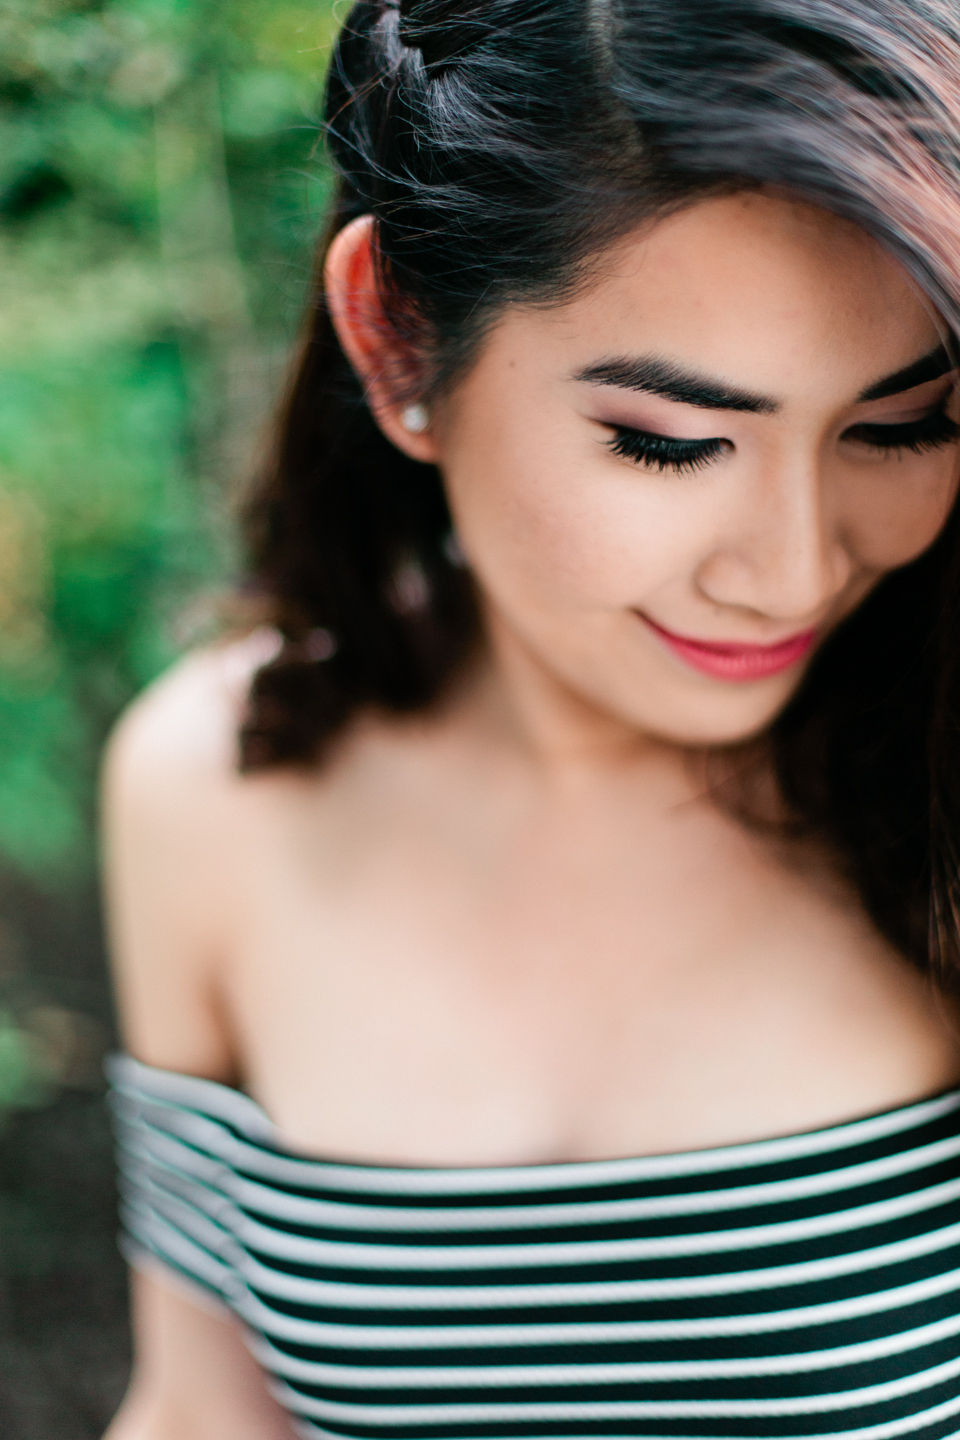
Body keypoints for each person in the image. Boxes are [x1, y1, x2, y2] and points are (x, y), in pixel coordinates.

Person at [102, 1, 960, 1436]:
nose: (799, 569)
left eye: (906, 424)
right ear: (394, 336)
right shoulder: (213, 786)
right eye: (671, 444)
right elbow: (200, 1406)